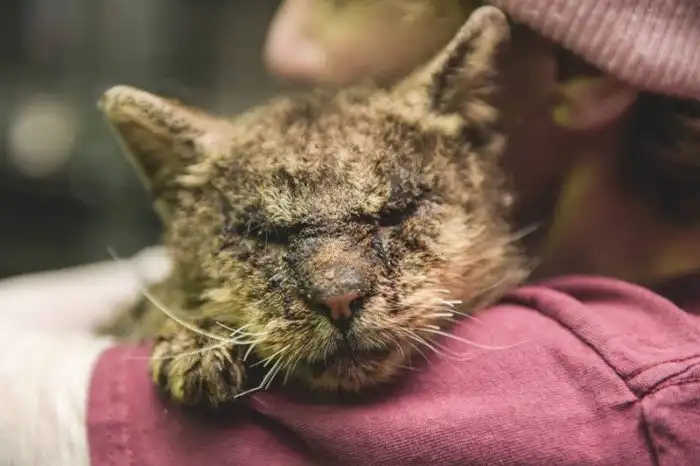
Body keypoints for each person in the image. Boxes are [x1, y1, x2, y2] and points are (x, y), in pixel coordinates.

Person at [1, 0, 699, 464]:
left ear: (579, 66)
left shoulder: (612, 393)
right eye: (269, 239)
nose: (337, 289)